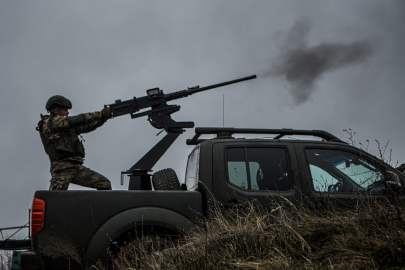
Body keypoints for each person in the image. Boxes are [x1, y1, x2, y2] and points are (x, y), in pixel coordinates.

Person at [37, 95, 112, 190]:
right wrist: (99, 114)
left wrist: (103, 118)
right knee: (54, 199)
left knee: (104, 184)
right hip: (62, 169)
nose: (67, 112)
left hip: (76, 167)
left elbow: (86, 126)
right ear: (56, 110)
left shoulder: (66, 126)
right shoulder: (50, 122)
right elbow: (77, 120)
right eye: (65, 110)